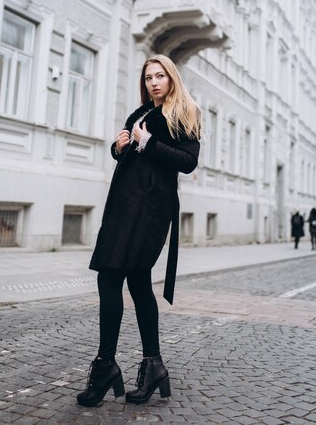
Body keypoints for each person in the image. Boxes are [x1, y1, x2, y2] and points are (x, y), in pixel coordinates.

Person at [76, 54, 201, 408]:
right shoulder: (139, 114)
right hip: (122, 208)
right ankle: (150, 365)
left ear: (172, 78)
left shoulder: (184, 113)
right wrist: (119, 149)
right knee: (134, 283)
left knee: (115, 279)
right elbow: (131, 157)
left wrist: (149, 144)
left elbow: (188, 162)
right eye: (148, 77)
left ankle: (107, 366)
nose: (154, 83)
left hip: (149, 210)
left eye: (160, 76)